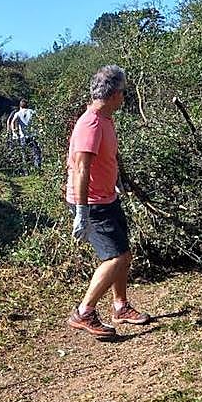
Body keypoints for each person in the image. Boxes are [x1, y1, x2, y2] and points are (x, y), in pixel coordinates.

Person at [65, 65, 150, 340]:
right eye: (123, 92)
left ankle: (120, 306)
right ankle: (84, 312)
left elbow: (108, 158)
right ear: (113, 94)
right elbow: (81, 169)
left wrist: (119, 180)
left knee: (124, 252)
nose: (124, 98)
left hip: (107, 197)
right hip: (92, 203)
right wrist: (81, 212)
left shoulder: (106, 120)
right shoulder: (90, 124)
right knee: (116, 257)